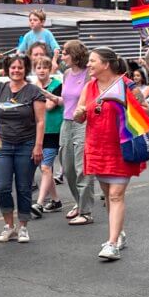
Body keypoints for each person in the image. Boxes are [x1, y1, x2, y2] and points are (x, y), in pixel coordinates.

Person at [74, 47, 149, 260]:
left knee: (116, 195)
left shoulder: (128, 85)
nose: (88, 64)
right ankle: (119, 235)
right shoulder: (89, 87)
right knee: (108, 196)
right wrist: (79, 113)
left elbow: (145, 111)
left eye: (92, 61)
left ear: (106, 64)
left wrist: (125, 103)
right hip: (97, 148)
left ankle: (111, 244)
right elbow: (80, 116)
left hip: (122, 147)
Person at [0, 54, 45, 244]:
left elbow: (40, 121)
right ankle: (9, 226)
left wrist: (38, 146)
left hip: (26, 144)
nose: (16, 70)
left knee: (23, 187)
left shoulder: (33, 91)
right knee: (2, 187)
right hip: (3, 145)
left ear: (26, 69)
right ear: (7, 69)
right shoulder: (0, 88)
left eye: (20, 68)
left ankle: (23, 227)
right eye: (13, 67)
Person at [59, 40, 95, 225]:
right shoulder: (66, 74)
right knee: (68, 167)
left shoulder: (89, 74)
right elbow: (66, 100)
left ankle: (86, 211)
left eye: (65, 52)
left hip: (83, 122)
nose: (62, 55)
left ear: (74, 54)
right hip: (66, 122)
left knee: (83, 167)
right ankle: (78, 202)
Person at [32, 56, 64, 215]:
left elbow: (50, 106)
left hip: (53, 130)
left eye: (45, 67)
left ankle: (38, 203)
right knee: (45, 168)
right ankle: (56, 200)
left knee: (45, 167)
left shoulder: (57, 85)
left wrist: (39, 93)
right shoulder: (32, 86)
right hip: (37, 132)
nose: (42, 70)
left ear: (50, 69)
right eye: (38, 67)